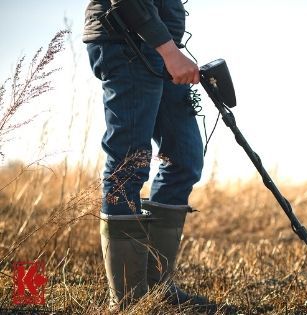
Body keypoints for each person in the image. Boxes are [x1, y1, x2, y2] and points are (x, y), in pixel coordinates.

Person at [82, 0, 205, 310]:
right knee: (129, 165)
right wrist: (169, 51)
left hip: (161, 48)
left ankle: (157, 288)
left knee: (185, 160)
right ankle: (128, 301)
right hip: (126, 43)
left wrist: (169, 48)